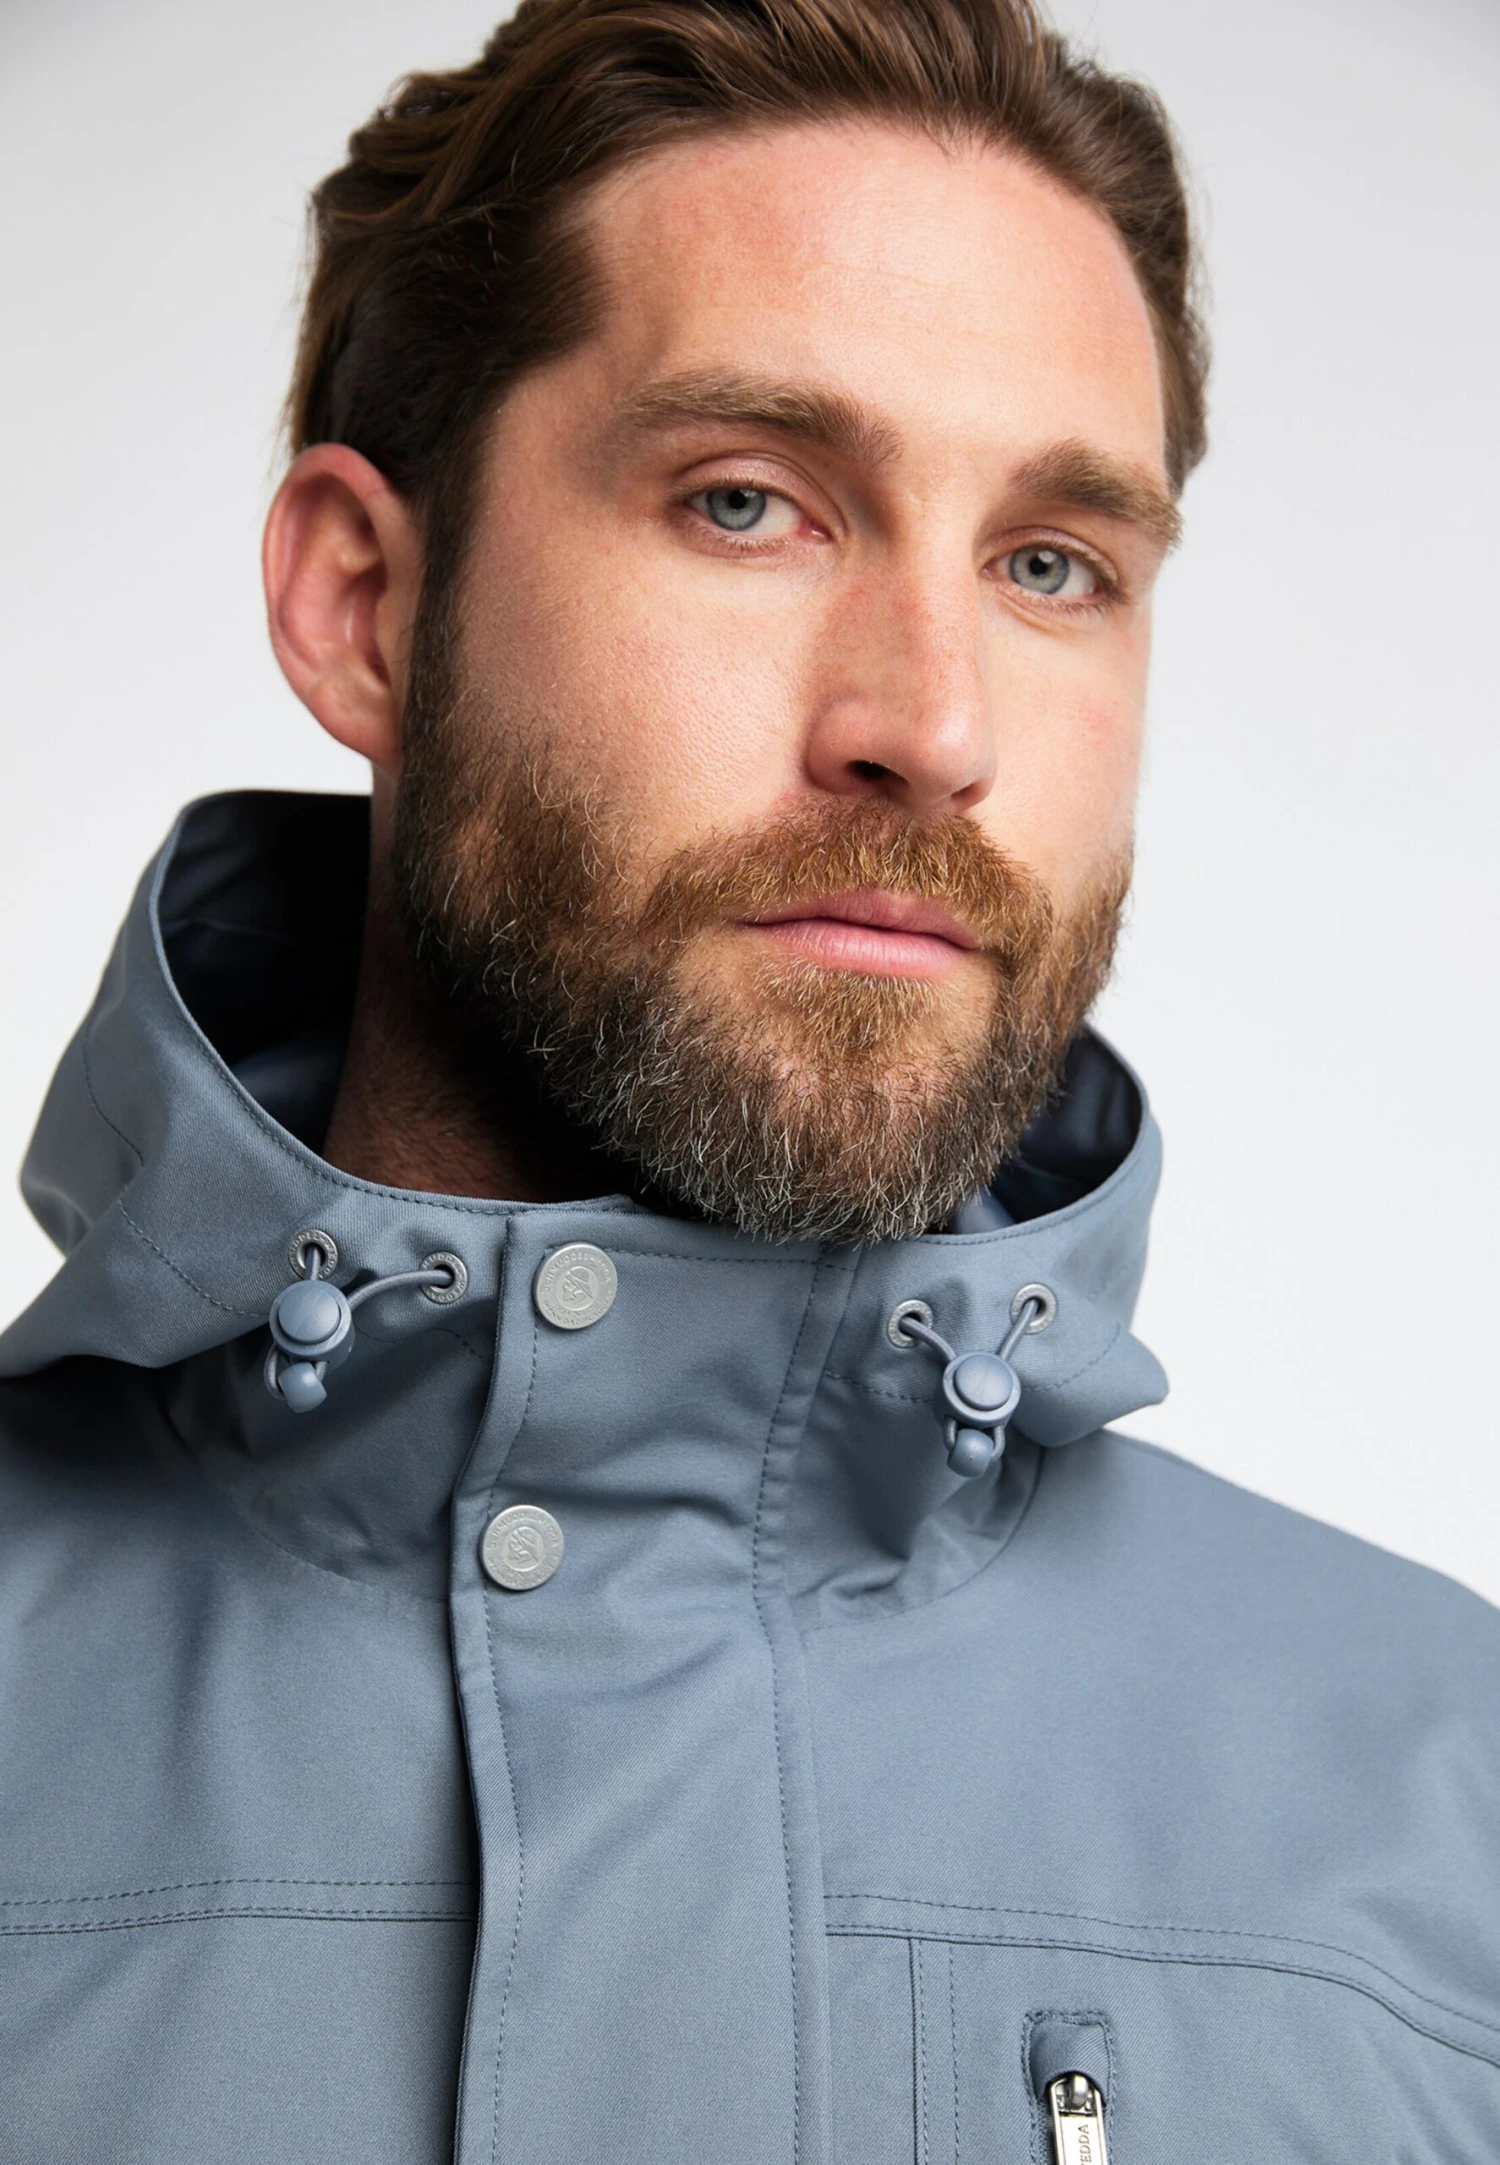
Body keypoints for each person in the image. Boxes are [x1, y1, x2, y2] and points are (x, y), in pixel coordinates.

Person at [0, 0, 1495, 2157]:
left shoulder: (1458, 1825)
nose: (934, 726)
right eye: (748, 503)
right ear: (364, 604)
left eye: (1052, 561)